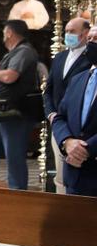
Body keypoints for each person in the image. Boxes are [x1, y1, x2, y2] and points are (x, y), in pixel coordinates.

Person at [53, 35, 97, 246]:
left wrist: (86, 148)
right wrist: (67, 142)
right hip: (77, 174)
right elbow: (60, 116)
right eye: (91, 36)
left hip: (93, 164)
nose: (91, 41)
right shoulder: (81, 78)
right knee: (80, 239)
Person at [0, 19, 40, 190]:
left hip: (15, 113)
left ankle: (17, 194)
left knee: (14, 157)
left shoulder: (24, 52)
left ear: (9, 33)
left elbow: (9, 76)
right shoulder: (12, 53)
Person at [45, 18, 93, 193]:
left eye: (72, 31)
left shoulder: (90, 58)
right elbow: (48, 89)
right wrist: (51, 114)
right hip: (59, 123)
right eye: (66, 30)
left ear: (85, 34)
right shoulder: (60, 57)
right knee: (61, 175)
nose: (68, 35)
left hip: (81, 128)